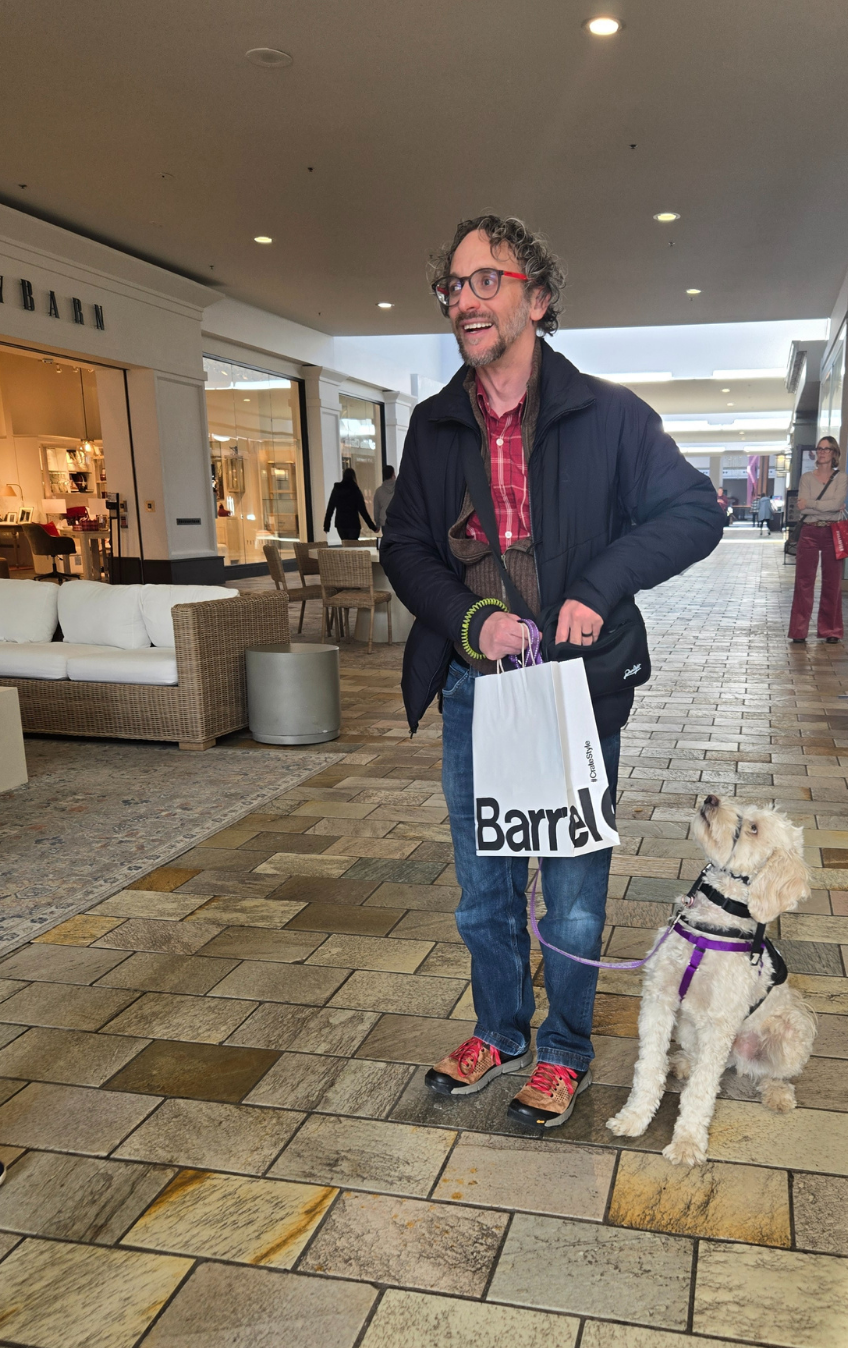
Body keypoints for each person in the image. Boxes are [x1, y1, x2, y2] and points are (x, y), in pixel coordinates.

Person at [381, 215, 724, 1130]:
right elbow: (404, 546)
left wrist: (599, 587)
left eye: (485, 280)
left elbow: (696, 512)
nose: (465, 300)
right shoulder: (435, 423)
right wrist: (471, 621)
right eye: (453, 286)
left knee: (571, 895)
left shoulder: (608, 414)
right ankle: (501, 1031)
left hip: (575, 687)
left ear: (536, 297)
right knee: (483, 886)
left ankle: (566, 1050)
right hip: (474, 687)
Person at [788, 436, 847, 643]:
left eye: (826, 449)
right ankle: (799, 631)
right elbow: (802, 507)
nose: (821, 452)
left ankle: (831, 631)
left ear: (834, 453)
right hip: (810, 531)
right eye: (819, 448)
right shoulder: (806, 478)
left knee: (832, 583)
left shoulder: (841, 478)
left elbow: (836, 504)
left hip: (833, 532)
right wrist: (828, 506)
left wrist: (812, 504)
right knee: (803, 582)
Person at [324, 467, 377, 542]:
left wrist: (326, 526)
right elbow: (363, 511)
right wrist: (373, 527)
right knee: (353, 545)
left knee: (345, 544)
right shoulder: (356, 490)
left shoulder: (337, 489)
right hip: (353, 524)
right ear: (354, 477)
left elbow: (330, 508)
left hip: (341, 524)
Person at [372, 465, 396, 532]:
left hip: (384, 521)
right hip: (397, 521)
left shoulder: (378, 491)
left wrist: (377, 524)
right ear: (393, 474)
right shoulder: (399, 488)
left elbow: (376, 510)